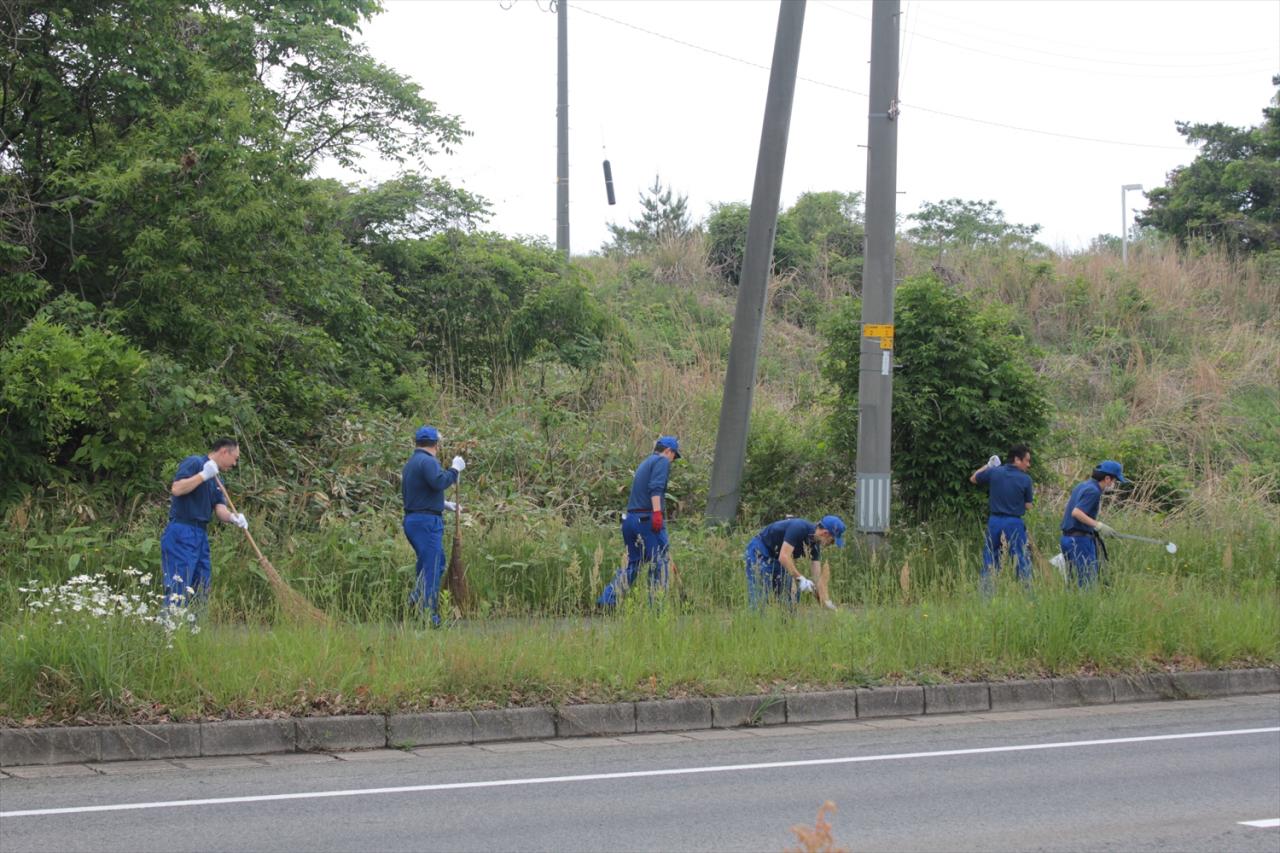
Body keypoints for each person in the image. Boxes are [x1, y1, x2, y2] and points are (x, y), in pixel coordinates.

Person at [161, 438, 247, 608]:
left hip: (200, 535)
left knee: (201, 587)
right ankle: (168, 631)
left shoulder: (217, 480)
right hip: (181, 530)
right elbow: (177, 489)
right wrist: (202, 475)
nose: (235, 463)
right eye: (235, 458)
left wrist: (233, 518)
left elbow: (220, 510)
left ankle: (195, 631)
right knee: (179, 585)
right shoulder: (195, 463)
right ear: (224, 451)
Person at [598, 436, 681, 608]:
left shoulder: (645, 463)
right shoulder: (662, 461)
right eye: (674, 456)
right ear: (668, 451)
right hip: (646, 519)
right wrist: (657, 513)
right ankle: (657, 607)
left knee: (633, 563)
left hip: (630, 520)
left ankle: (608, 601)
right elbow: (656, 488)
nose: (672, 461)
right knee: (660, 562)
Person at [401, 425, 465, 626]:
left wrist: (444, 504)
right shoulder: (427, 461)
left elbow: (420, 492)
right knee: (433, 568)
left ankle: (415, 601)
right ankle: (430, 617)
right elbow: (439, 482)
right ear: (436, 444)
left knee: (431, 566)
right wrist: (455, 469)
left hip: (416, 520)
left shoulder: (412, 463)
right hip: (426, 523)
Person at [969, 444, 1035, 594]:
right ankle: (1027, 596)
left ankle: (985, 596)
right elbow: (1029, 506)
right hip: (1014, 523)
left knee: (990, 559)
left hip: (994, 522)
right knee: (1021, 559)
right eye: (1027, 460)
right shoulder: (1026, 479)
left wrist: (988, 465)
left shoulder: (994, 472)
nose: (1028, 465)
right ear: (1017, 460)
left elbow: (973, 478)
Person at [744, 515, 846, 608]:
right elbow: (784, 557)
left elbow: (817, 579)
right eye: (832, 540)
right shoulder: (799, 527)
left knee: (790, 597)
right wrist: (801, 578)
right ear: (825, 533)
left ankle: (786, 625)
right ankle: (755, 626)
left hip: (779, 557)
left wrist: (824, 601)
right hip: (760, 551)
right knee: (759, 597)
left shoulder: (815, 546)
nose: (831, 544)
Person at [1059, 460, 1125, 587]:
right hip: (1079, 541)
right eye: (1114, 480)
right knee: (1087, 583)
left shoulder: (1082, 485)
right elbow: (1076, 512)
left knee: (1073, 583)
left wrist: (1093, 528)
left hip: (1068, 539)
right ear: (1107, 478)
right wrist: (1098, 525)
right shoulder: (1093, 491)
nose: (1114, 484)